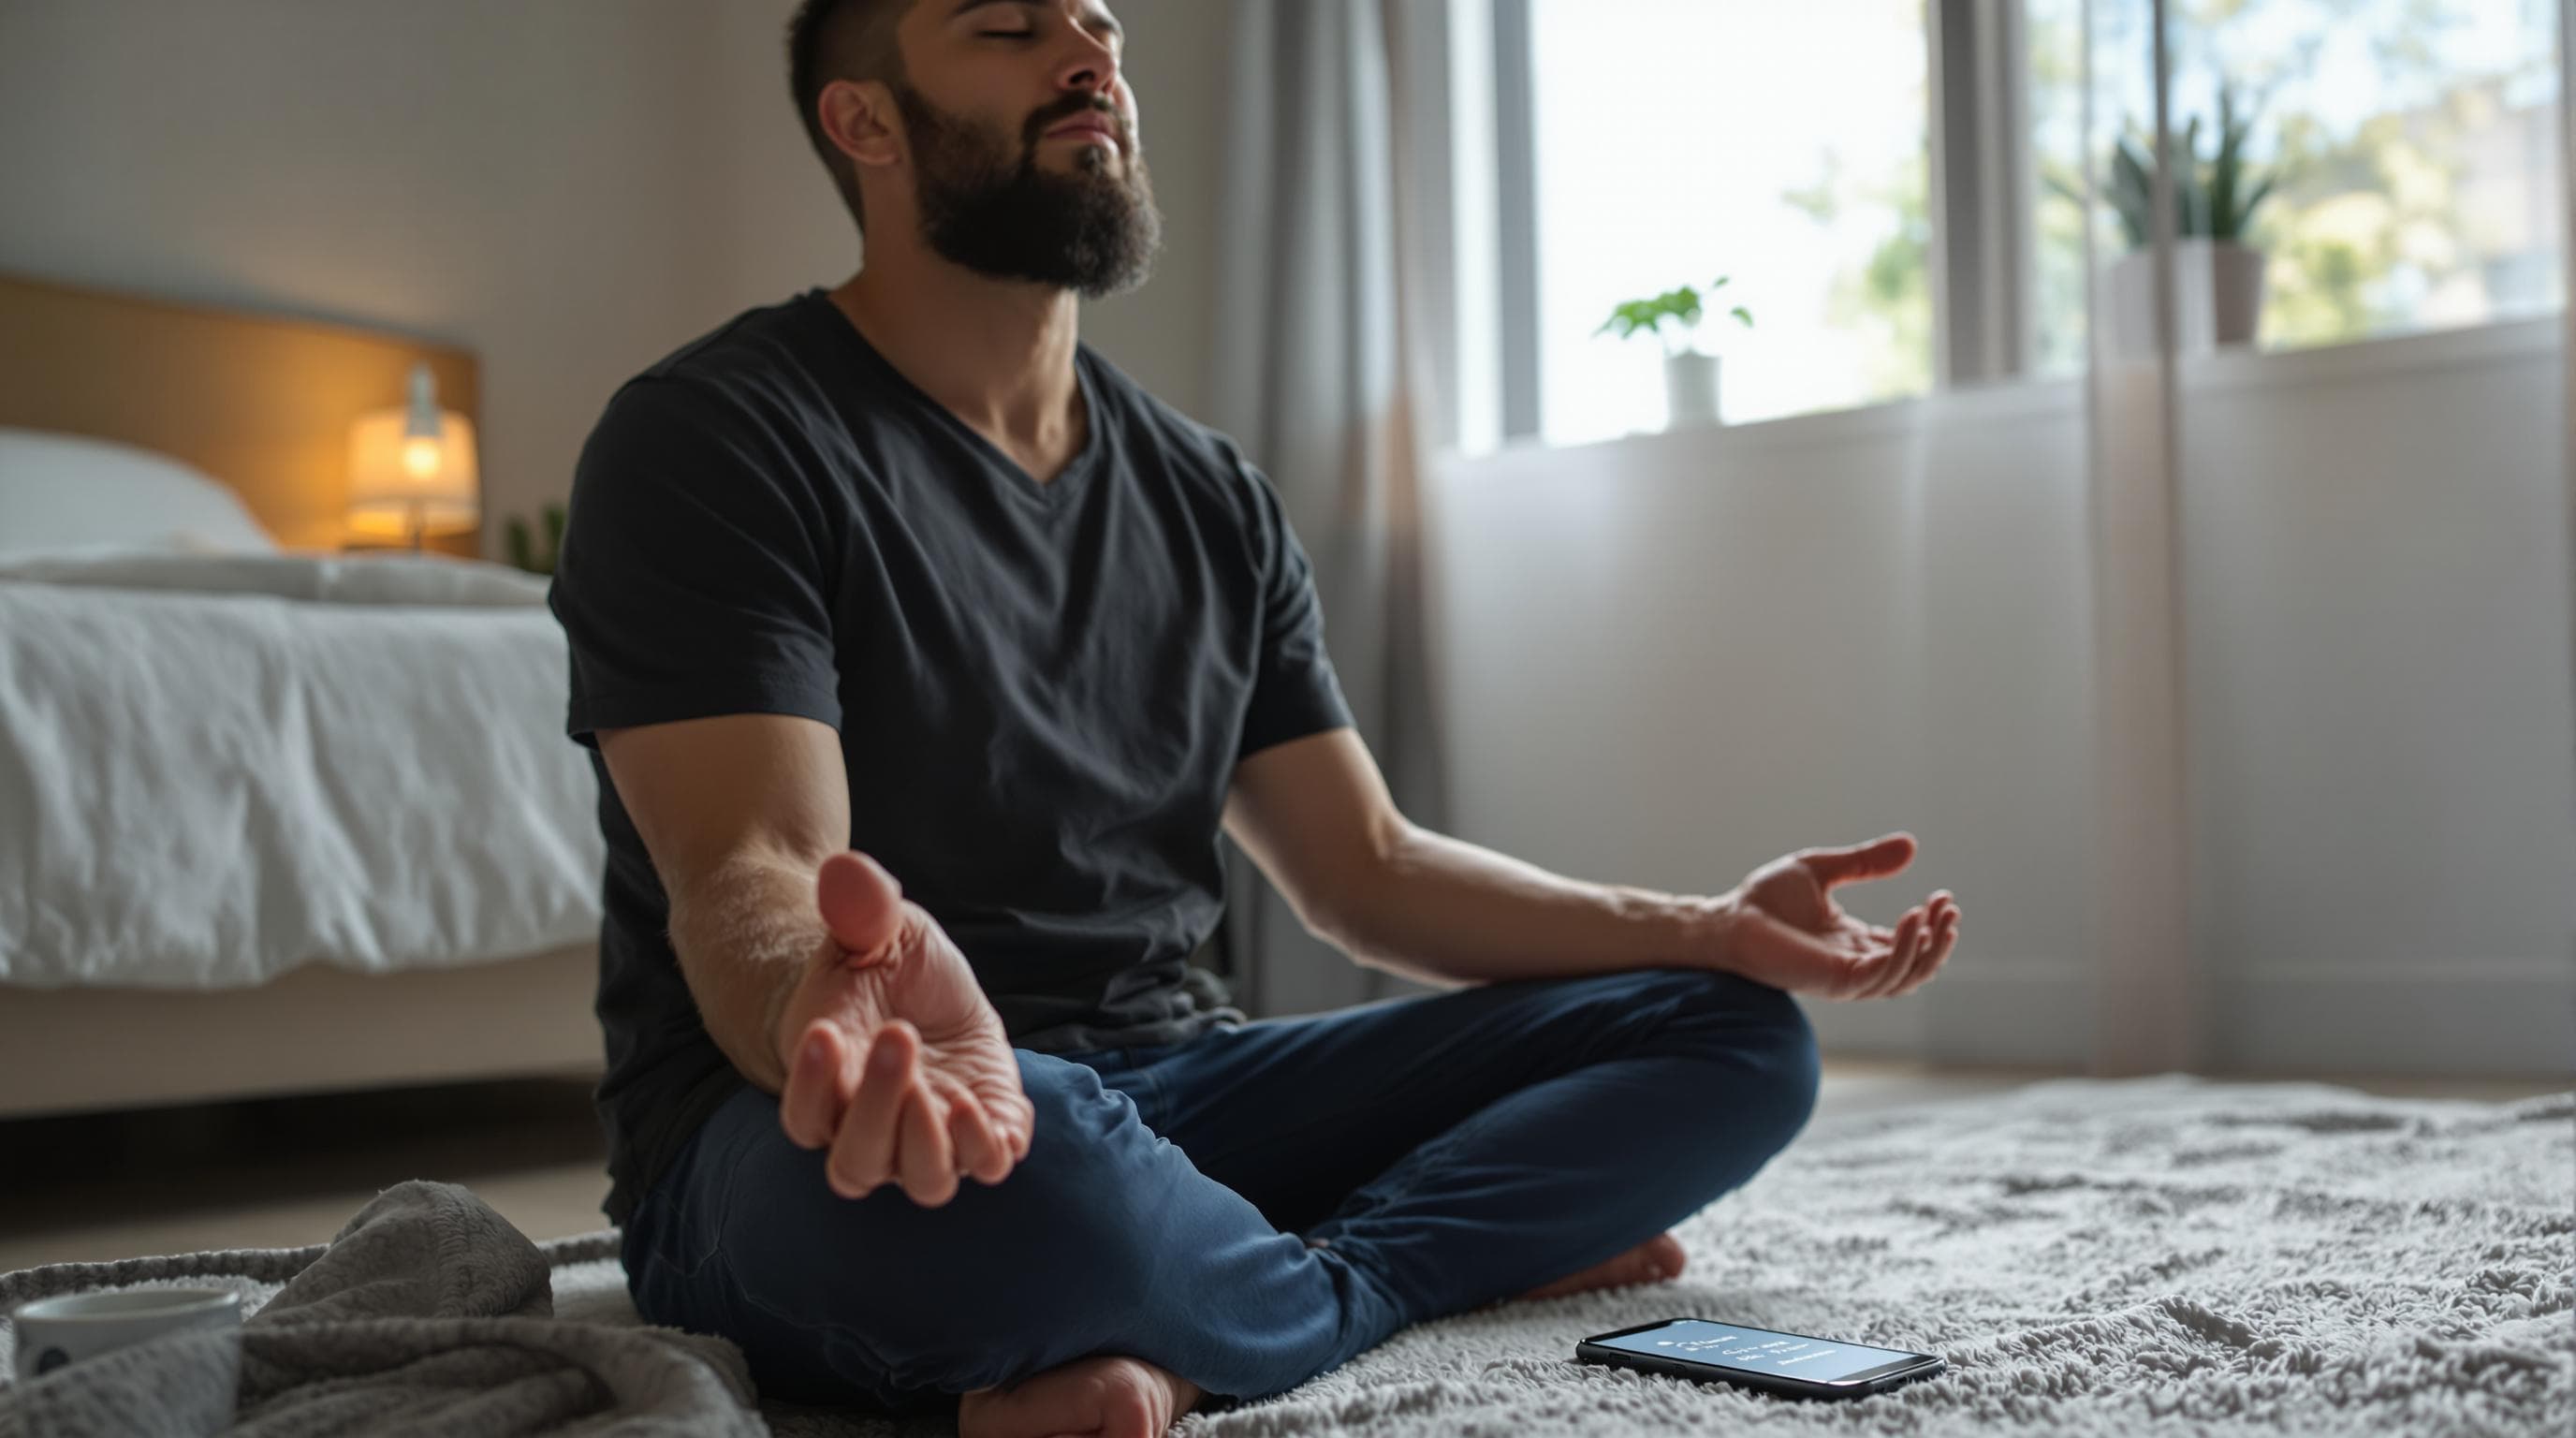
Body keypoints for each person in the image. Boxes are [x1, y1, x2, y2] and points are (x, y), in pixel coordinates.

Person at [546, 2, 1963, 1434]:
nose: (1089, 54)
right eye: (1008, 25)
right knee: (1045, 1179)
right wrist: (818, 1003)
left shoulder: (1211, 495)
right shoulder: (716, 438)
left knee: (1734, 1037)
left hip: (1190, 1086)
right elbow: (755, 864)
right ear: (866, 121)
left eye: (1098, 22)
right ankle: (1341, 1272)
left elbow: (1371, 871)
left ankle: (1266, 1304)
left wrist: (1714, 930)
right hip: (828, 1122)